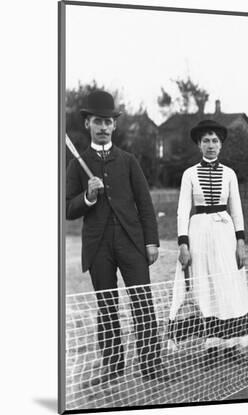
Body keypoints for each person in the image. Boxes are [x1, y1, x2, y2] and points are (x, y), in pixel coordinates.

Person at [66, 90, 167, 385]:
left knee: (142, 304)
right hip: (98, 247)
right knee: (107, 307)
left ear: (114, 126)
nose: (103, 127)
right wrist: (87, 196)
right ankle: (113, 366)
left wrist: (151, 241)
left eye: (108, 122)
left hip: (132, 242)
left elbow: (145, 204)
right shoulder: (76, 164)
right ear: (88, 124)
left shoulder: (128, 161)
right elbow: (67, 209)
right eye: (97, 121)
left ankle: (152, 365)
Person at [168, 119, 248, 369]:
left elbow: (237, 211)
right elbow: (183, 211)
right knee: (206, 288)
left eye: (215, 140)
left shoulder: (229, 174)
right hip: (199, 234)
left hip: (225, 234)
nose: (211, 145)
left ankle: (231, 345)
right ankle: (211, 347)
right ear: (199, 144)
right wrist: (183, 244)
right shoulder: (189, 174)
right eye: (206, 140)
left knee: (228, 287)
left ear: (221, 145)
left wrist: (241, 242)